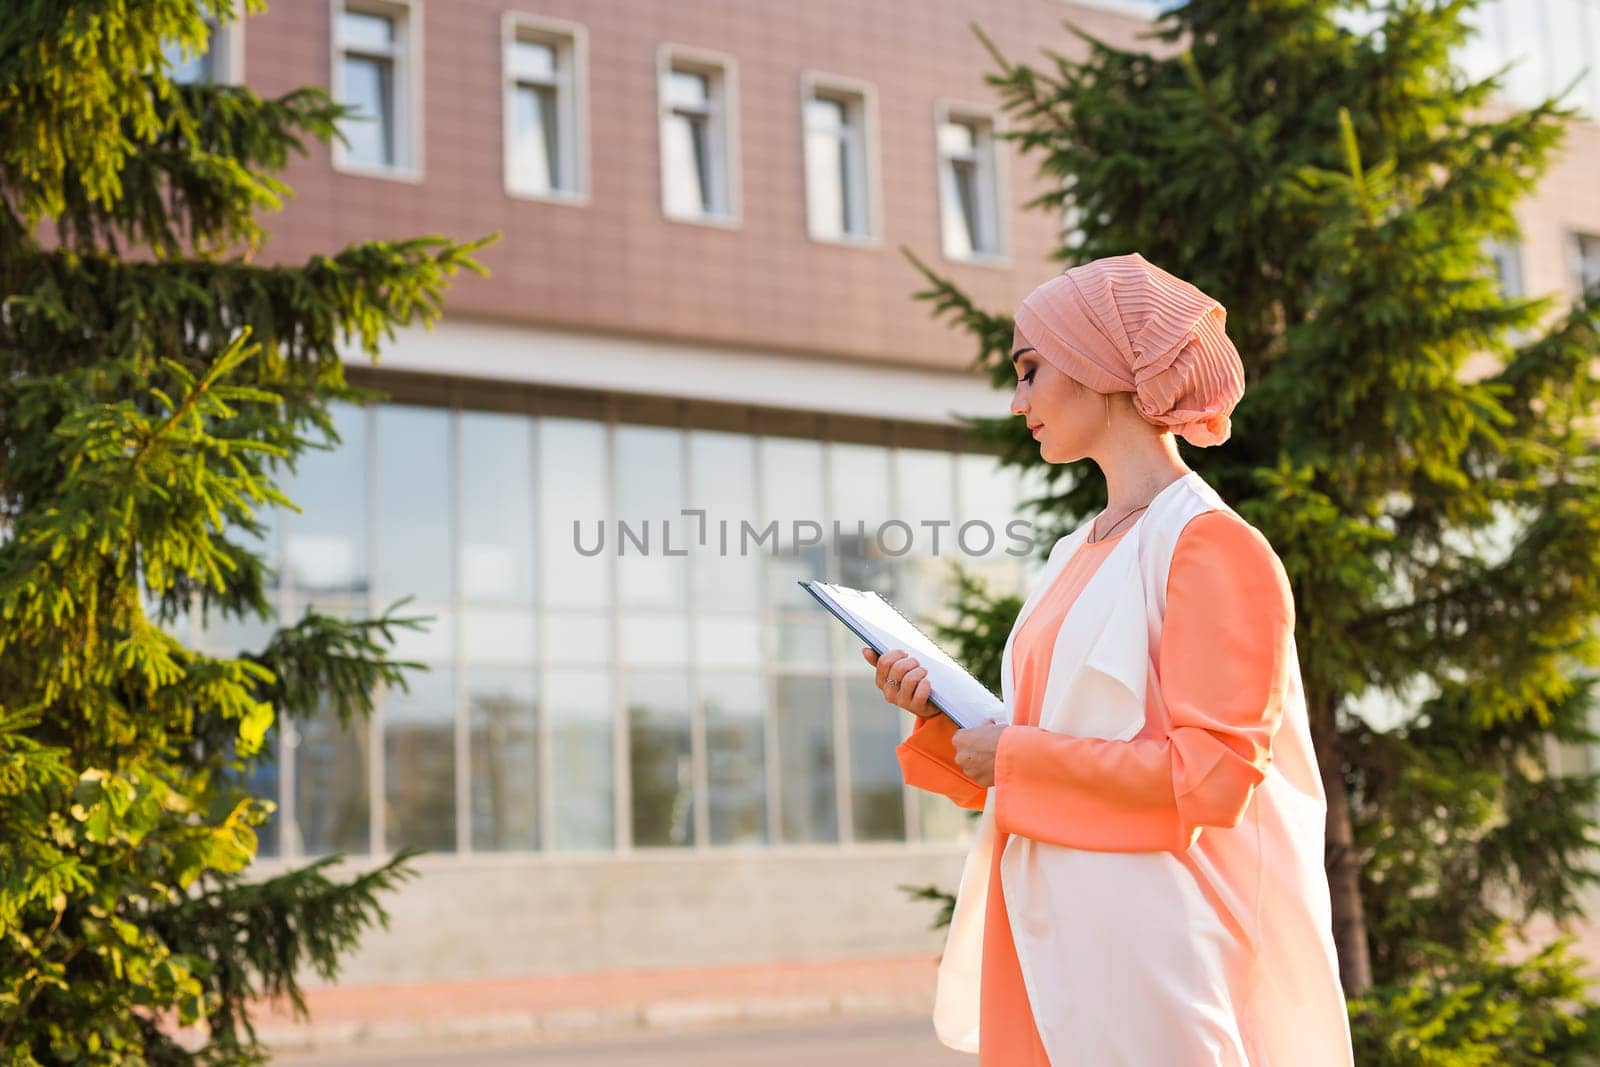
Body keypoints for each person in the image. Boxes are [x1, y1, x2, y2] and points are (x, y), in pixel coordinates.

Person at [863, 253, 1355, 1065]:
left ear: (1099, 365)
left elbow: (1213, 774)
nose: (1017, 399)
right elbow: (1044, 737)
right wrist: (941, 717)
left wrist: (1013, 755)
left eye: (1029, 370)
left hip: (1151, 964)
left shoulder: (1212, 544)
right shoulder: (1075, 551)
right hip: (1050, 933)